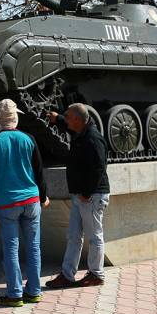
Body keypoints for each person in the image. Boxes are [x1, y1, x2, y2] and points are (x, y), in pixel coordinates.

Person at [0, 99, 49, 307]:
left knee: (11, 248)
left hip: (9, 203)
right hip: (32, 200)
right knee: (34, 247)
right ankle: (34, 291)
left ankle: (14, 294)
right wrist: (44, 196)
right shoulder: (28, 139)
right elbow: (39, 171)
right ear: (16, 117)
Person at [44, 103, 110, 289]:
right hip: (80, 196)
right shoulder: (80, 132)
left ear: (79, 120)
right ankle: (67, 274)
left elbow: (99, 168)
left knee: (94, 236)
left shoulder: (93, 139)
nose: (66, 118)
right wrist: (57, 119)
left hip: (92, 196)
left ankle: (96, 274)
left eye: (68, 116)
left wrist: (87, 192)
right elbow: (68, 124)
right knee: (73, 235)